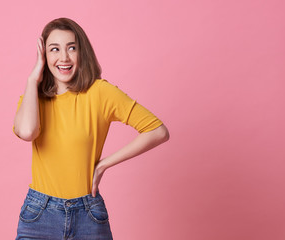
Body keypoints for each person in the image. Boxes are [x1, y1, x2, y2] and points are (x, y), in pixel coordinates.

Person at [13, 17, 170, 240]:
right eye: (54, 49)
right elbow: (28, 132)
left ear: (81, 52)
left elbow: (158, 131)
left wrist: (104, 164)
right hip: (39, 214)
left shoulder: (99, 92)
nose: (64, 57)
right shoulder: (32, 99)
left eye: (71, 48)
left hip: (87, 214)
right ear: (44, 56)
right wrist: (32, 79)